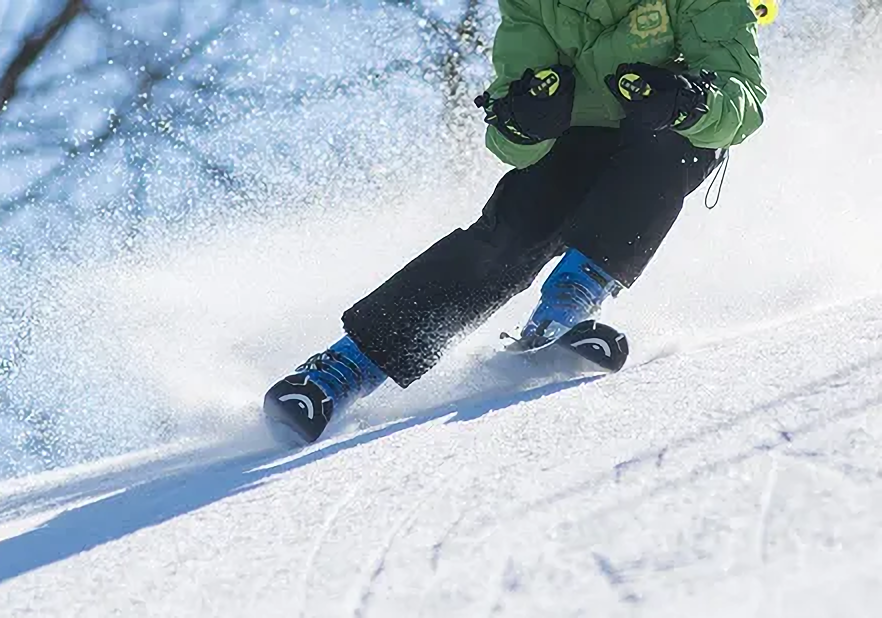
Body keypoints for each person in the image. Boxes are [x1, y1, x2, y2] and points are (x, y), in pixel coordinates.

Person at [263, 0, 770, 443]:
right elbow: (509, 136)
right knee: (511, 233)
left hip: (667, 130)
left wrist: (690, 101)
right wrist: (523, 120)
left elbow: (743, 98)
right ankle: (344, 370)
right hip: (576, 139)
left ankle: (567, 305)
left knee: (663, 152)